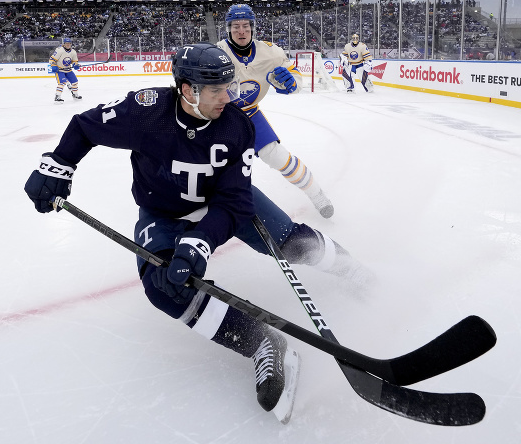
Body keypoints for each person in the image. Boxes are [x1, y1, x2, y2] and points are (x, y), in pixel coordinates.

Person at [24, 43, 369, 422]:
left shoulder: (237, 125)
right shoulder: (145, 111)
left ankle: (350, 269)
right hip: (164, 211)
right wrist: (57, 166)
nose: (229, 97)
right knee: (163, 286)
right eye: (218, 90)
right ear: (188, 90)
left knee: (291, 242)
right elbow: (84, 127)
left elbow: (235, 201)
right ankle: (262, 342)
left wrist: (201, 242)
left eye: (230, 86)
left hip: (224, 202)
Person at [216, 4, 334, 218]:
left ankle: (317, 194)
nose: (241, 31)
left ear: (252, 28)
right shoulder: (216, 53)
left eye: (245, 26)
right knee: (204, 165)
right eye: (235, 27)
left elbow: (296, 79)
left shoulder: (270, 52)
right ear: (229, 29)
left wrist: (291, 84)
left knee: (279, 157)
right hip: (218, 117)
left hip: (249, 114)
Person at [48, 39, 81, 103]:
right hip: (60, 70)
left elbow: (74, 61)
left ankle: (75, 94)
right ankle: (57, 96)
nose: (68, 44)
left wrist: (75, 65)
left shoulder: (73, 52)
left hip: (68, 70)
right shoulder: (60, 50)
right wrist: (53, 65)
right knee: (62, 83)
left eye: (69, 43)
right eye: (66, 43)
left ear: (71, 44)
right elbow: (52, 59)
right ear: (64, 44)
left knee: (75, 82)